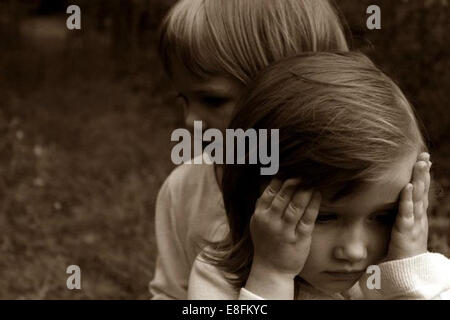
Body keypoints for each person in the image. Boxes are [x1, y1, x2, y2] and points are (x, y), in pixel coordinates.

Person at [188, 52, 450, 300]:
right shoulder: (219, 280)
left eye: (383, 217)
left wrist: (409, 273)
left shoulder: (420, 281)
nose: (353, 251)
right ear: (254, 197)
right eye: (324, 217)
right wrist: (272, 275)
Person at [150, 0, 349, 299]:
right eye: (184, 99)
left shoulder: (353, 191)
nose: (190, 121)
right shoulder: (185, 189)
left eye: (213, 100)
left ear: (293, 91)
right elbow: (170, 294)